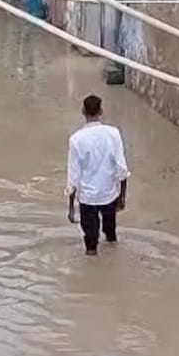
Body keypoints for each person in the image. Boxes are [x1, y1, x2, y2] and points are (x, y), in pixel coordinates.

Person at [66, 94, 130, 256]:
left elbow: (73, 176)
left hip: (87, 198)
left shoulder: (76, 139)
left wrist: (71, 208)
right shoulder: (113, 133)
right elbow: (122, 168)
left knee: (90, 244)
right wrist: (122, 197)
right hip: (109, 194)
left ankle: (93, 271)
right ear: (101, 111)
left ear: (83, 111)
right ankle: (113, 265)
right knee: (111, 237)